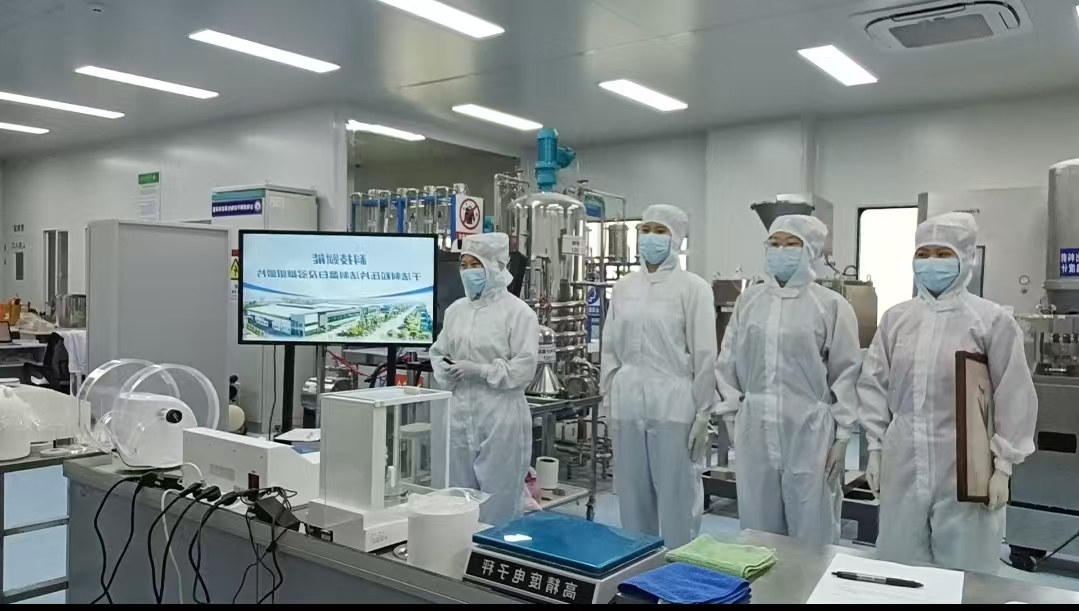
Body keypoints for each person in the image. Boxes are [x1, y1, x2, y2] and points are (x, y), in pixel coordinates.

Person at [858, 212, 1037, 573]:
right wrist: (874, 449)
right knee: (899, 566)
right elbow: (874, 384)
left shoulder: (990, 320)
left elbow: (1013, 394)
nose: (931, 262)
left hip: (966, 464)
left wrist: (1003, 467)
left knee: (965, 572)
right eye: (923, 253)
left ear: (965, 258)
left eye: (943, 253)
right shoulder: (896, 319)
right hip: (903, 460)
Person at [715, 214, 862, 545]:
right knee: (757, 527)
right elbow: (728, 360)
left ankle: (811, 580)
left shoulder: (830, 305)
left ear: (810, 250)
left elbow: (846, 372)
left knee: (812, 524)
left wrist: (843, 435)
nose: (781, 250)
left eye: (791, 244)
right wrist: (731, 415)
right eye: (775, 243)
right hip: (754, 426)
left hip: (809, 429)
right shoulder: (749, 301)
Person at [600, 204, 717, 549]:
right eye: (645, 229)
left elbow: (704, 353)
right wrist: (609, 397)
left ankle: (679, 566)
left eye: (660, 231)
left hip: (674, 401)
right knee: (632, 496)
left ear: (676, 238)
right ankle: (638, 565)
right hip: (627, 400)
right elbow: (610, 347)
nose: (650, 237)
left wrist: (704, 412)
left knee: (677, 497)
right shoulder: (624, 287)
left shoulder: (693, 288)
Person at [429, 233, 539, 526]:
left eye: (475, 264)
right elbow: (438, 352)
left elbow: (524, 368)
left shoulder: (518, 313)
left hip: (500, 414)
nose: (467, 271)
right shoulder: (456, 311)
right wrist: (446, 370)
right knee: (456, 499)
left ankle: (492, 549)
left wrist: (481, 370)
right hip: (459, 412)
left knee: (497, 501)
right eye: (463, 265)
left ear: (494, 266)